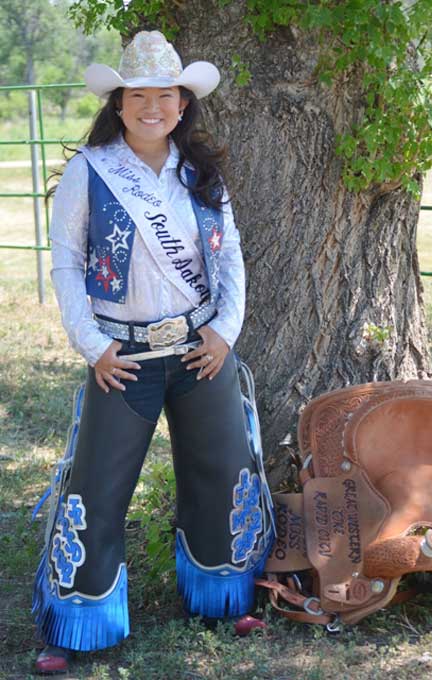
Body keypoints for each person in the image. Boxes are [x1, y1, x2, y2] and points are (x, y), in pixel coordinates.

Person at [32, 31, 274, 675]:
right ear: (118, 102)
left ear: (180, 103)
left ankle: (225, 599)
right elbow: (63, 262)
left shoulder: (200, 170)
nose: (152, 106)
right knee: (98, 485)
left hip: (201, 349)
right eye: (138, 95)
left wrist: (224, 331)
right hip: (124, 357)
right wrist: (93, 346)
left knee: (222, 472)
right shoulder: (90, 170)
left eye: (164, 95)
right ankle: (78, 617)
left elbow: (230, 257)